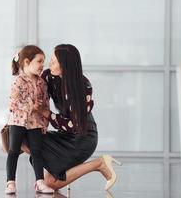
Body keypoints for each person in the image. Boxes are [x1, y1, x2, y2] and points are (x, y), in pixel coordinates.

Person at [23, 44, 122, 191]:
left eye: (54, 61)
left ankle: (99, 164)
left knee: (50, 183)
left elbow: (74, 125)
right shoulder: (49, 76)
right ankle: (65, 167)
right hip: (64, 133)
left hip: (82, 138)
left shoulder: (83, 87)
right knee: (21, 137)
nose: (49, 64)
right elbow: (34, 91)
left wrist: (47, 114)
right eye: (51, 59)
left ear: (65, 66)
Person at [5, 45, 54, 194]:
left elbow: (46, 104)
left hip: (36, 123)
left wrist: (44, 123)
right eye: (39, 61)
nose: (42, 65)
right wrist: (31, 106)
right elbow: (13, 102)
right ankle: (10, 182)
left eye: (43, 62)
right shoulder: (18, 81)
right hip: (18, 122)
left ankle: (40, 182)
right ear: (27, 62)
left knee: (36, 152)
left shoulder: (42, 83)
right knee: (13, 151)